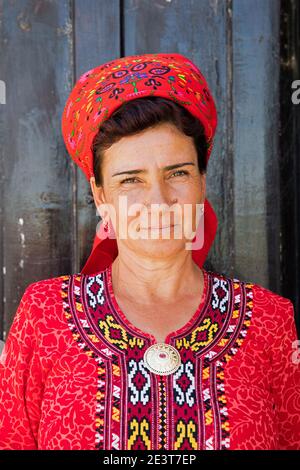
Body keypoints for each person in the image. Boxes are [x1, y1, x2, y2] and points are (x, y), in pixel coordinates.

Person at [0, 52, 299, 450]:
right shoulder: (44, 317)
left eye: (177, 173)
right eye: (131, 180)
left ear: (202, 181)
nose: (159, 201)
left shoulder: (270, 322)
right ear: (100, 194)